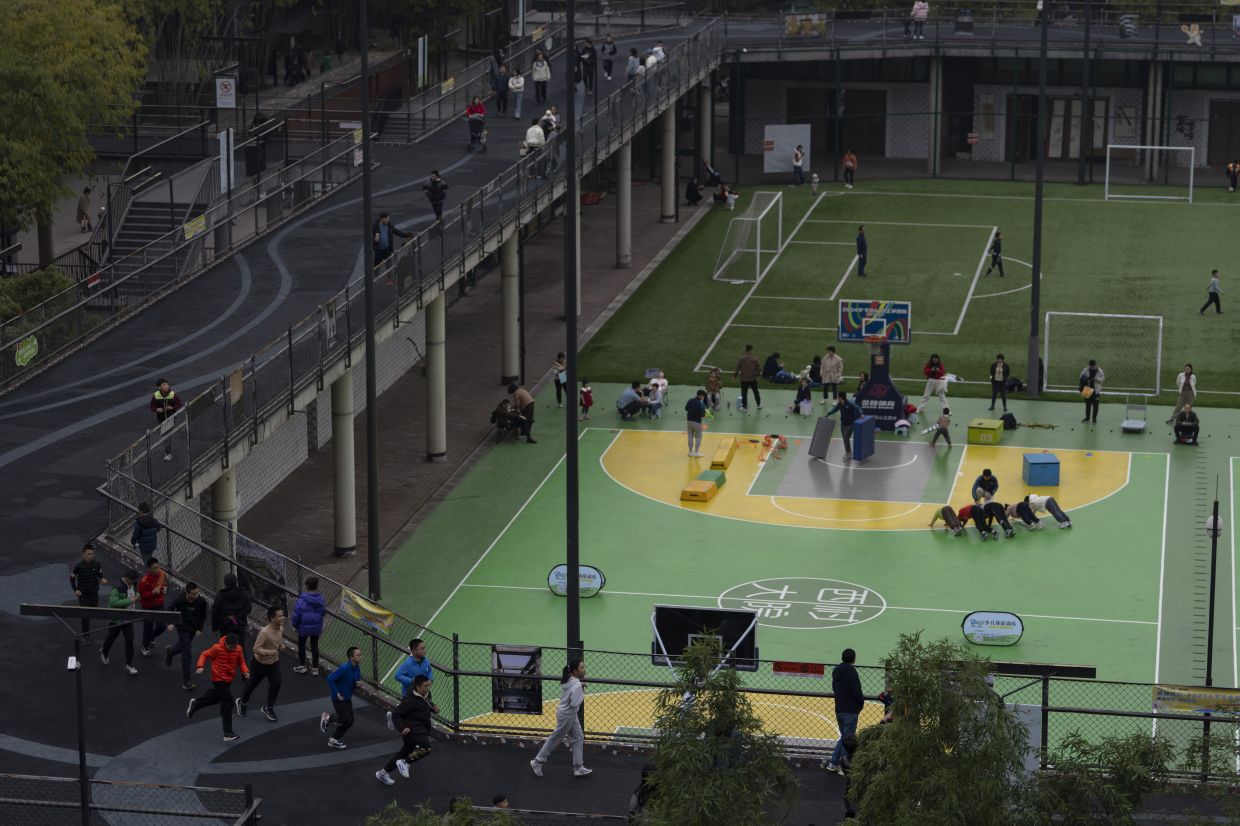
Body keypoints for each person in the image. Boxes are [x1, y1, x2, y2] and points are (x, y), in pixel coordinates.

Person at [530, 658, 592, 777]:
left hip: (567, 714)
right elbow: (575, 703)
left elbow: (572, 688)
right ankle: (537, 762)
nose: (584, 670)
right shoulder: (577, 684)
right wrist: (582, 691)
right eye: (582, 668)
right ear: (575, 671)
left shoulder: (570, 680)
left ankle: (578, 767)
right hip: (568, 715)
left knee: (578, 736)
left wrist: (580, 686)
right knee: (555, 738)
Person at [188, 632, 250, 742]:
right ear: (225, 643)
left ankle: (196, 704)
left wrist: (245, 671)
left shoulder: (238, 649)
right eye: (230, 647)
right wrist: (200, 666)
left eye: (234, 647)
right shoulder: (217, 648)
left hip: (228, 679)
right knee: (228, 701)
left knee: (215, 697)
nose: (232, 649)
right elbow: (204, 654)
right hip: (218, 678)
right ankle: (228, 732)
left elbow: (241, 662)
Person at [376, 674, 436, 785]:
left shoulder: (426, 695)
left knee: (405, 751)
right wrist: (402, 728)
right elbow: (396, 715)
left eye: (428, 685)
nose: (428, 688)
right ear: (417, 687)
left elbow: (426, 703)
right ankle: (405, 763)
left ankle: (382, 773)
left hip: (422, 727)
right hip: (413, 729)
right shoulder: (410, 701)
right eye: (425, 686)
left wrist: (433, 709)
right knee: (426, 748)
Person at [237, 606, 285, 722]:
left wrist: (281, 646)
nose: (283, 618)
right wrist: (268, 652)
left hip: (273, 662)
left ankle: (268, 707)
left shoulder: (281, 628)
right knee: (251, 685)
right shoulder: (264, 632)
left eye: (282, 615)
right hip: (260, 664)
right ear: (272, 618)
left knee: (277, 683)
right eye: (280, 616)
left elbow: (277, 641)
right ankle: (242, 702)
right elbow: (256, 649)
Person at [164, 581, 208, 690]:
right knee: (187, 651)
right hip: (182, 627)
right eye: (193, 594)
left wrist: (199, 628)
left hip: (193, 628)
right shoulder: (180, 600)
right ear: (187, 593)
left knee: (183, 646)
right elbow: (169, 610)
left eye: (197, 593)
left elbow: (203, 615)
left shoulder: (201, 601)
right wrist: (170, 623)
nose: (196, 596)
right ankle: (186, 681)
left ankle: (170, 653)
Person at [826, 649, 864, 773]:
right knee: (847, 740)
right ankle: (843, 765)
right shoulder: (852, 672)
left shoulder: (836, 671)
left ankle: (834, 763)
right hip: (850, 710)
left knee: (844, 738)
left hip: (840, 709)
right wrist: (859, 705)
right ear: (854, 659)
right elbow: (856, 691)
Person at [321, 646, 363, 749]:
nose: (361, 657)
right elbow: (330, 679)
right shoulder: (344, 668)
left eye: (361, 654)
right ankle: (328, 719)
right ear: (351, 657)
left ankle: (333, 738)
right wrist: (337, 693)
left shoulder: (356, 666)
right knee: (346, 720)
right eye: (358, 655)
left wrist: (357, 684)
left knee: (349, 721)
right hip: (339, 699)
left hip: (347, 697)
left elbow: (356, 679)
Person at [100, 569, 140, 675]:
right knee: (111, 638)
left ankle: (129, 664)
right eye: (132, 581)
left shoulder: (134, 585)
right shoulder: (117, 588)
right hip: (116, 619)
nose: (133, 583)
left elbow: (137, 594)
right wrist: (130, 600)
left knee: (129, 641)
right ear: (126, 578)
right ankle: (104, 651)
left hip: (128, 618)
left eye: (134, 581)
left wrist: (138, 596)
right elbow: (113, 603)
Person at [71, 544, 108, 638]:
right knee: (85, 615)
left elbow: (99, 573)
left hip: (94, 593)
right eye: (88, 554)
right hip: (83, 595)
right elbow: (71, 578)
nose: (91, 556)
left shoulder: (97, 564)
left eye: (92, 554)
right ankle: (85, 635)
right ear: (83, 554)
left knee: (93, 611)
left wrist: (102, 578)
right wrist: (76, 590)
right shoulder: (78, 566)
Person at [291, 577, 326, 675]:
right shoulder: (321, 599)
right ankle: (315, 669)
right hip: (316, 626)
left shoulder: (302, 599)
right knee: (315, 646)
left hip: (303, 626)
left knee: (301, 645)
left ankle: (302, 666)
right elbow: (323, 612)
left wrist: (294, 625)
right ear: (317, 586)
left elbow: (296, 613)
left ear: (307, 586)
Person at [212, 573, 252, 653]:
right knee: (240, 647)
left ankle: (226, 664)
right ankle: (242, 664)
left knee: (225, 647)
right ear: (236, 582)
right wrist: (236, 617)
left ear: (225, 583)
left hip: (225, 624)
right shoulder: (243, 594)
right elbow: (248, 608)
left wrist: (215, 627)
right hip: (239, 623)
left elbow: (215, 612)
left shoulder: (220, 596)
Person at [137, 556, 167, 656]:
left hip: (159, 603)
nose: (158, 570)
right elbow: (141, 596)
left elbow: (163, 585)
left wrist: (164, 589)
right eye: (155, 568)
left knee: (162, 626)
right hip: (148, 605)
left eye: (158, 567)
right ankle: (144, 647)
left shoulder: (162, 574)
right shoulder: (144, 581)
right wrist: (152, 593)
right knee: (148, 627)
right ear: (149, 569)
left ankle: (150, 638)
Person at [394, 639, 438, 706]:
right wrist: (412, 681)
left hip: (423, 692)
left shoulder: (425, 660)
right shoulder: (408, 664)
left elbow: (429, 670)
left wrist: (430, 679)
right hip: (410, 696)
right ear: (414, 651)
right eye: (422, 649)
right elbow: (397, 675)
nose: (424, 650)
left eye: (424, 648)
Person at [826, 392, 864, 460]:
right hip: (843, 424)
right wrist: (828, 414)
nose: (837, 398)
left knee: (846, 438)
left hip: (850, 424)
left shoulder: (850, 403)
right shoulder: (840, 404)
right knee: (845, 439)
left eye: (838, 396)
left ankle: (848, 453)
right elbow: (835, 409)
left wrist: (861, 414)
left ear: (841, 397)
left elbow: (858, 407)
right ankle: (848, 452)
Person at [151, 378, 182, 460]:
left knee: (166, 435)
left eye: (167, 384)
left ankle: (168, 453)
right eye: (164, 385)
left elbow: (179, 404)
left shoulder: (172, 394)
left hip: (171, 417)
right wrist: (156, 409)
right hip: (161, 418)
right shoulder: (156, 395)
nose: (166, 386)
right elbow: (152, 406)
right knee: (166, 435)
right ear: (159, 387)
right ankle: (168, 451)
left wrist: (171, 407)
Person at [734, 345, 762, 411]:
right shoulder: (755, 358)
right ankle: (759, 404)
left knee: (744, 393)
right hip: (753, 379)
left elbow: (737, 368)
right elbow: (759, 369)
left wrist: (734, 376)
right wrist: (757, 375)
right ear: (751, 350)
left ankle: (744, 407)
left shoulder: (742, 358)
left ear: (746, 350)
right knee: (756, 392)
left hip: (744, 379)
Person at [1079, 359, 1104, 423]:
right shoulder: (1085, 369)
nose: (1091, 367)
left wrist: (1096, 379)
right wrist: (1087, 379)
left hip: (1096, 390)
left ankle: (1094, 419)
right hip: (1087, 389)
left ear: (1095, 365)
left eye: (1092, 366)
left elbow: (1102, 379)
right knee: (1087, 405)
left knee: (1095, 405)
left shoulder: (1100, 371)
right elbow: (1081, 376)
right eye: (1090, 366)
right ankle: (1087, 418)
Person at [686, 390, 708, 457]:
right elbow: (702, 415)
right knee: (698, 437)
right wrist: (706, 414)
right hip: (697, 422)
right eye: (703, 396)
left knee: (690, 436)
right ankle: (696, 452)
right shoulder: (701, 404)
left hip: (689, 421)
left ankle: (690, 452)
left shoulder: (690, 400)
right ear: (701, 396)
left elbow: (686, 408)